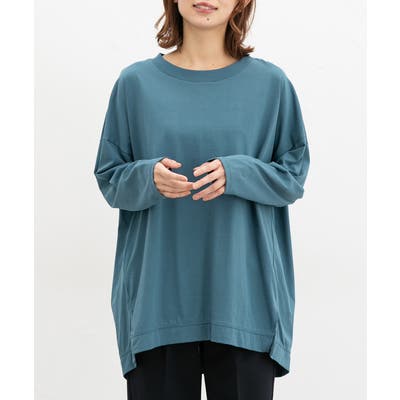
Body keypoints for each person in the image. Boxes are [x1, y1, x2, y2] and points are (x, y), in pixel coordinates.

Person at [93, 0, 310, 399]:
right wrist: (148, 176)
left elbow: (292, 178)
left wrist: (239, 173)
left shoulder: (271, 85)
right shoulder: (135, 84)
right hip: (157, 302)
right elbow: (109, 178)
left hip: (245, 303)